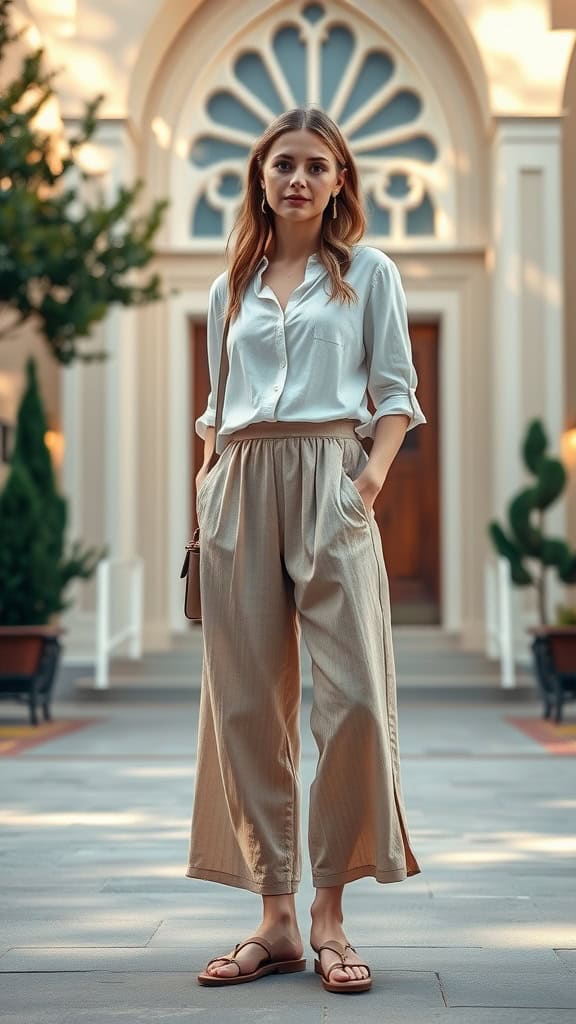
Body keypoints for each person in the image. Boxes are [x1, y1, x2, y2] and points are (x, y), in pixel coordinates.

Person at [186, 105, 426, 994]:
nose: (297, 178)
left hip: (332, 474)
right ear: (259, 177)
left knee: (355, 698)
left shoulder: (371, 274)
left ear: (338, 183)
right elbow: (216, 407)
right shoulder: (228, 290)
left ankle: (331, 911)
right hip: (239, 483)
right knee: (247, 706)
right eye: (282, 162)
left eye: (316, 166)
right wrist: (207, 498)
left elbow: (396, 394)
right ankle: (276, 919)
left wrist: (363, 487)